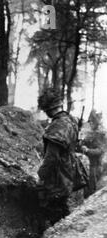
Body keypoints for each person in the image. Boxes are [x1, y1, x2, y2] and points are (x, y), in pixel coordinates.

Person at [37, 88, 88, 227]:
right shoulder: (71, 120)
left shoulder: (58, 125)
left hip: (58, 176)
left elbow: (52, 157)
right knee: (61, 207)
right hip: (68, 172)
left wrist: (41, 175)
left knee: (54, 210)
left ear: (48, 108)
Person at [81, 110, 107, 198]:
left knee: (92, 190)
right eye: (90, 121)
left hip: (95, 166)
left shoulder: (101, 134)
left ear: (96, 122)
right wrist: (82, 144)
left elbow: (100, 150)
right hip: (88, 165)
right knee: (86, 188)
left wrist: (88, 150)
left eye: (92, 121)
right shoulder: (90, 132)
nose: (90, 123)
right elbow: (85, 143)